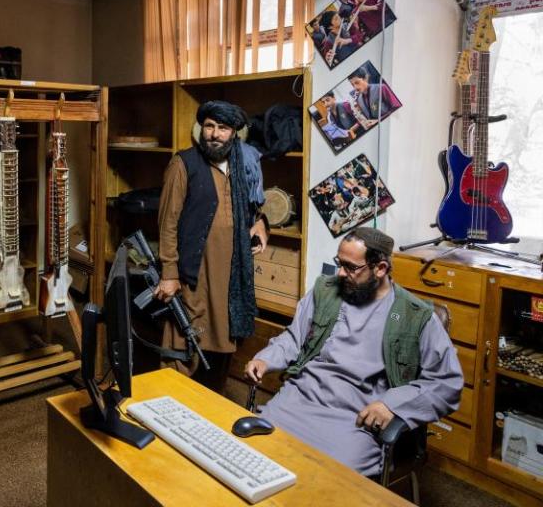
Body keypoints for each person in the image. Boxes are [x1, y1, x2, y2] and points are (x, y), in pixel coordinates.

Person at [244, 227, 463, 477]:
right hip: (299, 399)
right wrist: (265, 358)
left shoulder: (415, 316)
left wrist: (392, 406)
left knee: (328, 479)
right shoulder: (325, 291)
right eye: (340, 263)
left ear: (380, 269)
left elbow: (447, 383)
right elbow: (294, 338)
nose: (340, 273)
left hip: (354, 419)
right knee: (255, 449)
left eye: (350, 267)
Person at [156, 100, 268, 392]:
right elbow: (167, 222)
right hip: (195, 274)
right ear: (200, 129)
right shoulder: (184, 163)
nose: (214, 134)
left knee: (222, 344)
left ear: (234, 134)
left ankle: (210, 404)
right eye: (209, 126)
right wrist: (169, 273)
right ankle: (169, 406)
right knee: (185, 341)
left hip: (230, 276)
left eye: (223, 128)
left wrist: (260, 223)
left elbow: (252, 208)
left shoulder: (242, 165)